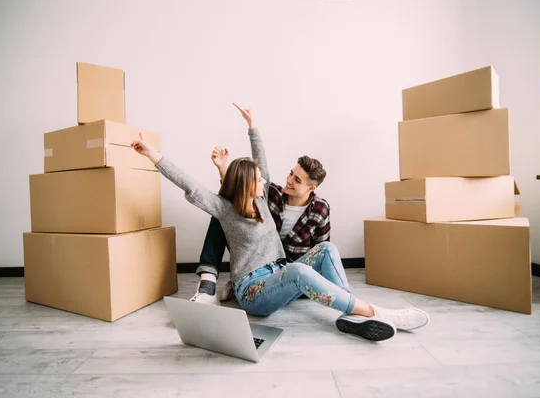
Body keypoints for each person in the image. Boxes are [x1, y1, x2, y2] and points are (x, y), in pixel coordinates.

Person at [131, 103, 429, 342]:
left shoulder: (263, 201)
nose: (267, 183)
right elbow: (190, 186)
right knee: (298, 270)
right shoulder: (224, 210)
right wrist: (152, 155)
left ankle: (350, 315)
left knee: (326, 249)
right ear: (248, 185)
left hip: (279, 274)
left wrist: (252, 127)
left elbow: (261, 160)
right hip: (252, 291)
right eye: (260, 180)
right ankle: (376, 313)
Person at [191, 142, 331, 305]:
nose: (289, 180)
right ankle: (208, 283)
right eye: (291, 174)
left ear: (311, 188)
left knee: (320, 258)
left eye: (297, 180)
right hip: (259, 264)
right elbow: (237, 194)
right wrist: (222, 167)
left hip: (292, 271)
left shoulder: (320, 209)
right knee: (221, 214)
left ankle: (240, 288)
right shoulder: (271, 193)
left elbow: (321, 250)